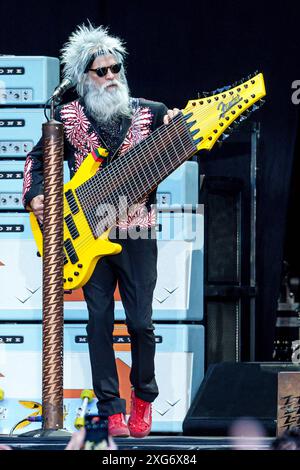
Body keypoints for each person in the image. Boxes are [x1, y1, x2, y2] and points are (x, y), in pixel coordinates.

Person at [22, 23, 179, 438]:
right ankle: (110, 409)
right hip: (87, 233)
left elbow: (184, 140)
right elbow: (36, 161)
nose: (111, 77)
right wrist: (36, 196)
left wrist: (186, 127)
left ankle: (143, 396)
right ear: (82, 78)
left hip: (137, 229)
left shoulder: (151, 112)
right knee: (98, 323)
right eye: (101, 71)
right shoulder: (67, 116)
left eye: (116, 68)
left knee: (142, 323)